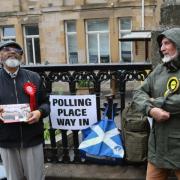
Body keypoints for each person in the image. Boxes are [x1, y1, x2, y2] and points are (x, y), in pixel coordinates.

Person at [133, 27, 180, 180]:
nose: (162, 48)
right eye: (161, 45)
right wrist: (151, 110)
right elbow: (138, 93)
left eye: (167, 43)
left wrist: (157, 102)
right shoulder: (160, 70)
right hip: (158, 147)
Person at [0, 41, 50, 180]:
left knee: (36, 177)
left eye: (17, 50)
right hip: (6, 140)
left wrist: (39, 112)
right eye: (6, 49)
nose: (12, 52)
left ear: (21, 57)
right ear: (0, 56)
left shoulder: (34, 77)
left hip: (32, 139)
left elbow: (46, 104)